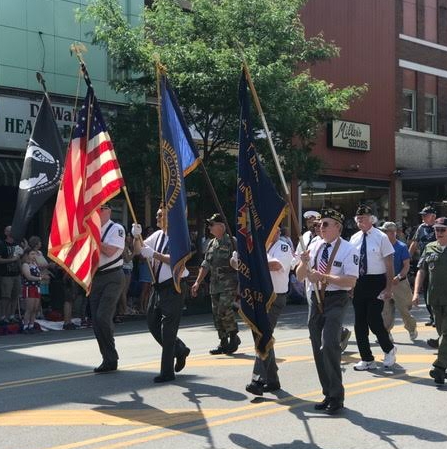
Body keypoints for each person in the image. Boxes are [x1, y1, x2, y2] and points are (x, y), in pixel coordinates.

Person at [296, 208, 359, 415]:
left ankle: (337, 396)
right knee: (317, 346)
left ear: (338, 228)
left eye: (324, 224)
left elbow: (350, 281)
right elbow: (299, 276)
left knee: (329, 343)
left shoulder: (349, 249)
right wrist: (304, 264)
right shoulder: (314, 245)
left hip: (336, 299)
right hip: (316, 298)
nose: (319, 227)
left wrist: (324, 278)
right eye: (318, 224)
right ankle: (328, 393)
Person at [132, 207, 190, 383]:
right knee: (152, 323)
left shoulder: (179, 235)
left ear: (170, 217)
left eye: (161, 215)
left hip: (174, 285)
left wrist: (155, 255)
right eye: (156, 214)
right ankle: (179, 349)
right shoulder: (157, 235)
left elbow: (176, 259)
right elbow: (137, 251)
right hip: (158, 287)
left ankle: (167, 372)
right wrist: (136, 237)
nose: (157, 217)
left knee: (168, 330)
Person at [245, 226, 295, 396]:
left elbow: (275, 265)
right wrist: (240, 260)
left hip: (275, 298)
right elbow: (236, 263)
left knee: (263, 335)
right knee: (263, 336)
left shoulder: (283, 247)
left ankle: (257, 379)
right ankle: (272, 380)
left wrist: (252, 261)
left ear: (277, 232)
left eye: (271, 229)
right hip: (259, 297)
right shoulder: (260, 247)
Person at [350, 205, 396, 371]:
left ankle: (389, 348)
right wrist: (350, 285)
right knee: (359, 322)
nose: (360, 220)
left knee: (373, 319)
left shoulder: (381, 237)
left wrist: (389, 288)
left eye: (363, 217)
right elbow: (351, 263)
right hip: (359, 281)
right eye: (358, 218)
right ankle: (366, 358)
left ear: (371, 219)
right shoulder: (354, 238)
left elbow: (389, 264)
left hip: (377, 282)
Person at [191, 213, 240, 355]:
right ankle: (223, 342)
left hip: (229, 283)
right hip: (215, 284)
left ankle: (233, 337)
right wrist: (197, 282)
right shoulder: (211, 244)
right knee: (216, 314)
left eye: (212, 225)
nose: (209, 228)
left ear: (221, 226)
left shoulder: (232, 241)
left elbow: (241, 263)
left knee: (224, 309)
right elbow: (205, 264)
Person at [89, 203, 125, 373]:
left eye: (102, 208)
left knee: (103, 316)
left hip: (112, 276)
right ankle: (107, 358)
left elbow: (110, 251)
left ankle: (112, 356)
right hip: (96, 277)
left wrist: (94, 238)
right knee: (96, 321)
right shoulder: (93, 229)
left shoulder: (116, 228)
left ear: (109, 210)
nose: (98, 212)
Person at [412, 217, 447, 384]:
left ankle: (439, 367)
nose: (438, 233)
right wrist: (416, 292)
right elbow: (422, 271)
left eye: (442, 230)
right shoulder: (429, 247)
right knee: (442, 334)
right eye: (436, 230)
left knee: (446, 334)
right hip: (434, 298)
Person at [379, 222, 418, 342]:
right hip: (385, 283)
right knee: (385, 310)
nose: (383, 234)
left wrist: (399, 276)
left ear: (392, 233)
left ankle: (411, 328)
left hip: (399, 283)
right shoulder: (380, 246)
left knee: (404, 309)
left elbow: (406, 266)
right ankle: (387, 332)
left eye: (385, 232)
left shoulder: (401, 247)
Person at [409, 205, 437, 326]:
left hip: (437, 262)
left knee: (436, 289)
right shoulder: (421, 228)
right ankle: (432, 316)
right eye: (422, 215)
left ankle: (438, 316)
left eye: (426, 215)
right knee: (425, 290)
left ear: (433, 216)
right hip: (424, 261)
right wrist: (407, 257)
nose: (423, 217)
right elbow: (414, 243)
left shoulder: (440, 227)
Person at [21, 247, 48, 333]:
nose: (34, 256)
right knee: (29, 308)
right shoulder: (25, 265)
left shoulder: (34, 264)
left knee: (35, 308)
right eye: (32, 254)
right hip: (30, 287)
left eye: (34, 254)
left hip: (37, 287)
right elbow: (28, 276)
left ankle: (31, 325)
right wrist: (40, 278)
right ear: (27, 255)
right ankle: (25, 326)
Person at [0, 226, 22, 324]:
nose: (12, 232)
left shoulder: (17, 244)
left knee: (15, 295)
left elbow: (19, 259)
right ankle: (3, 316)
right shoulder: (2, 244)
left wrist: (21, 271)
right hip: (6, 275)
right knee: (6, 296)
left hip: (16, 274)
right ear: (6, 233)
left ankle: (12, 315)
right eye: (10, 231)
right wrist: (11, 260)